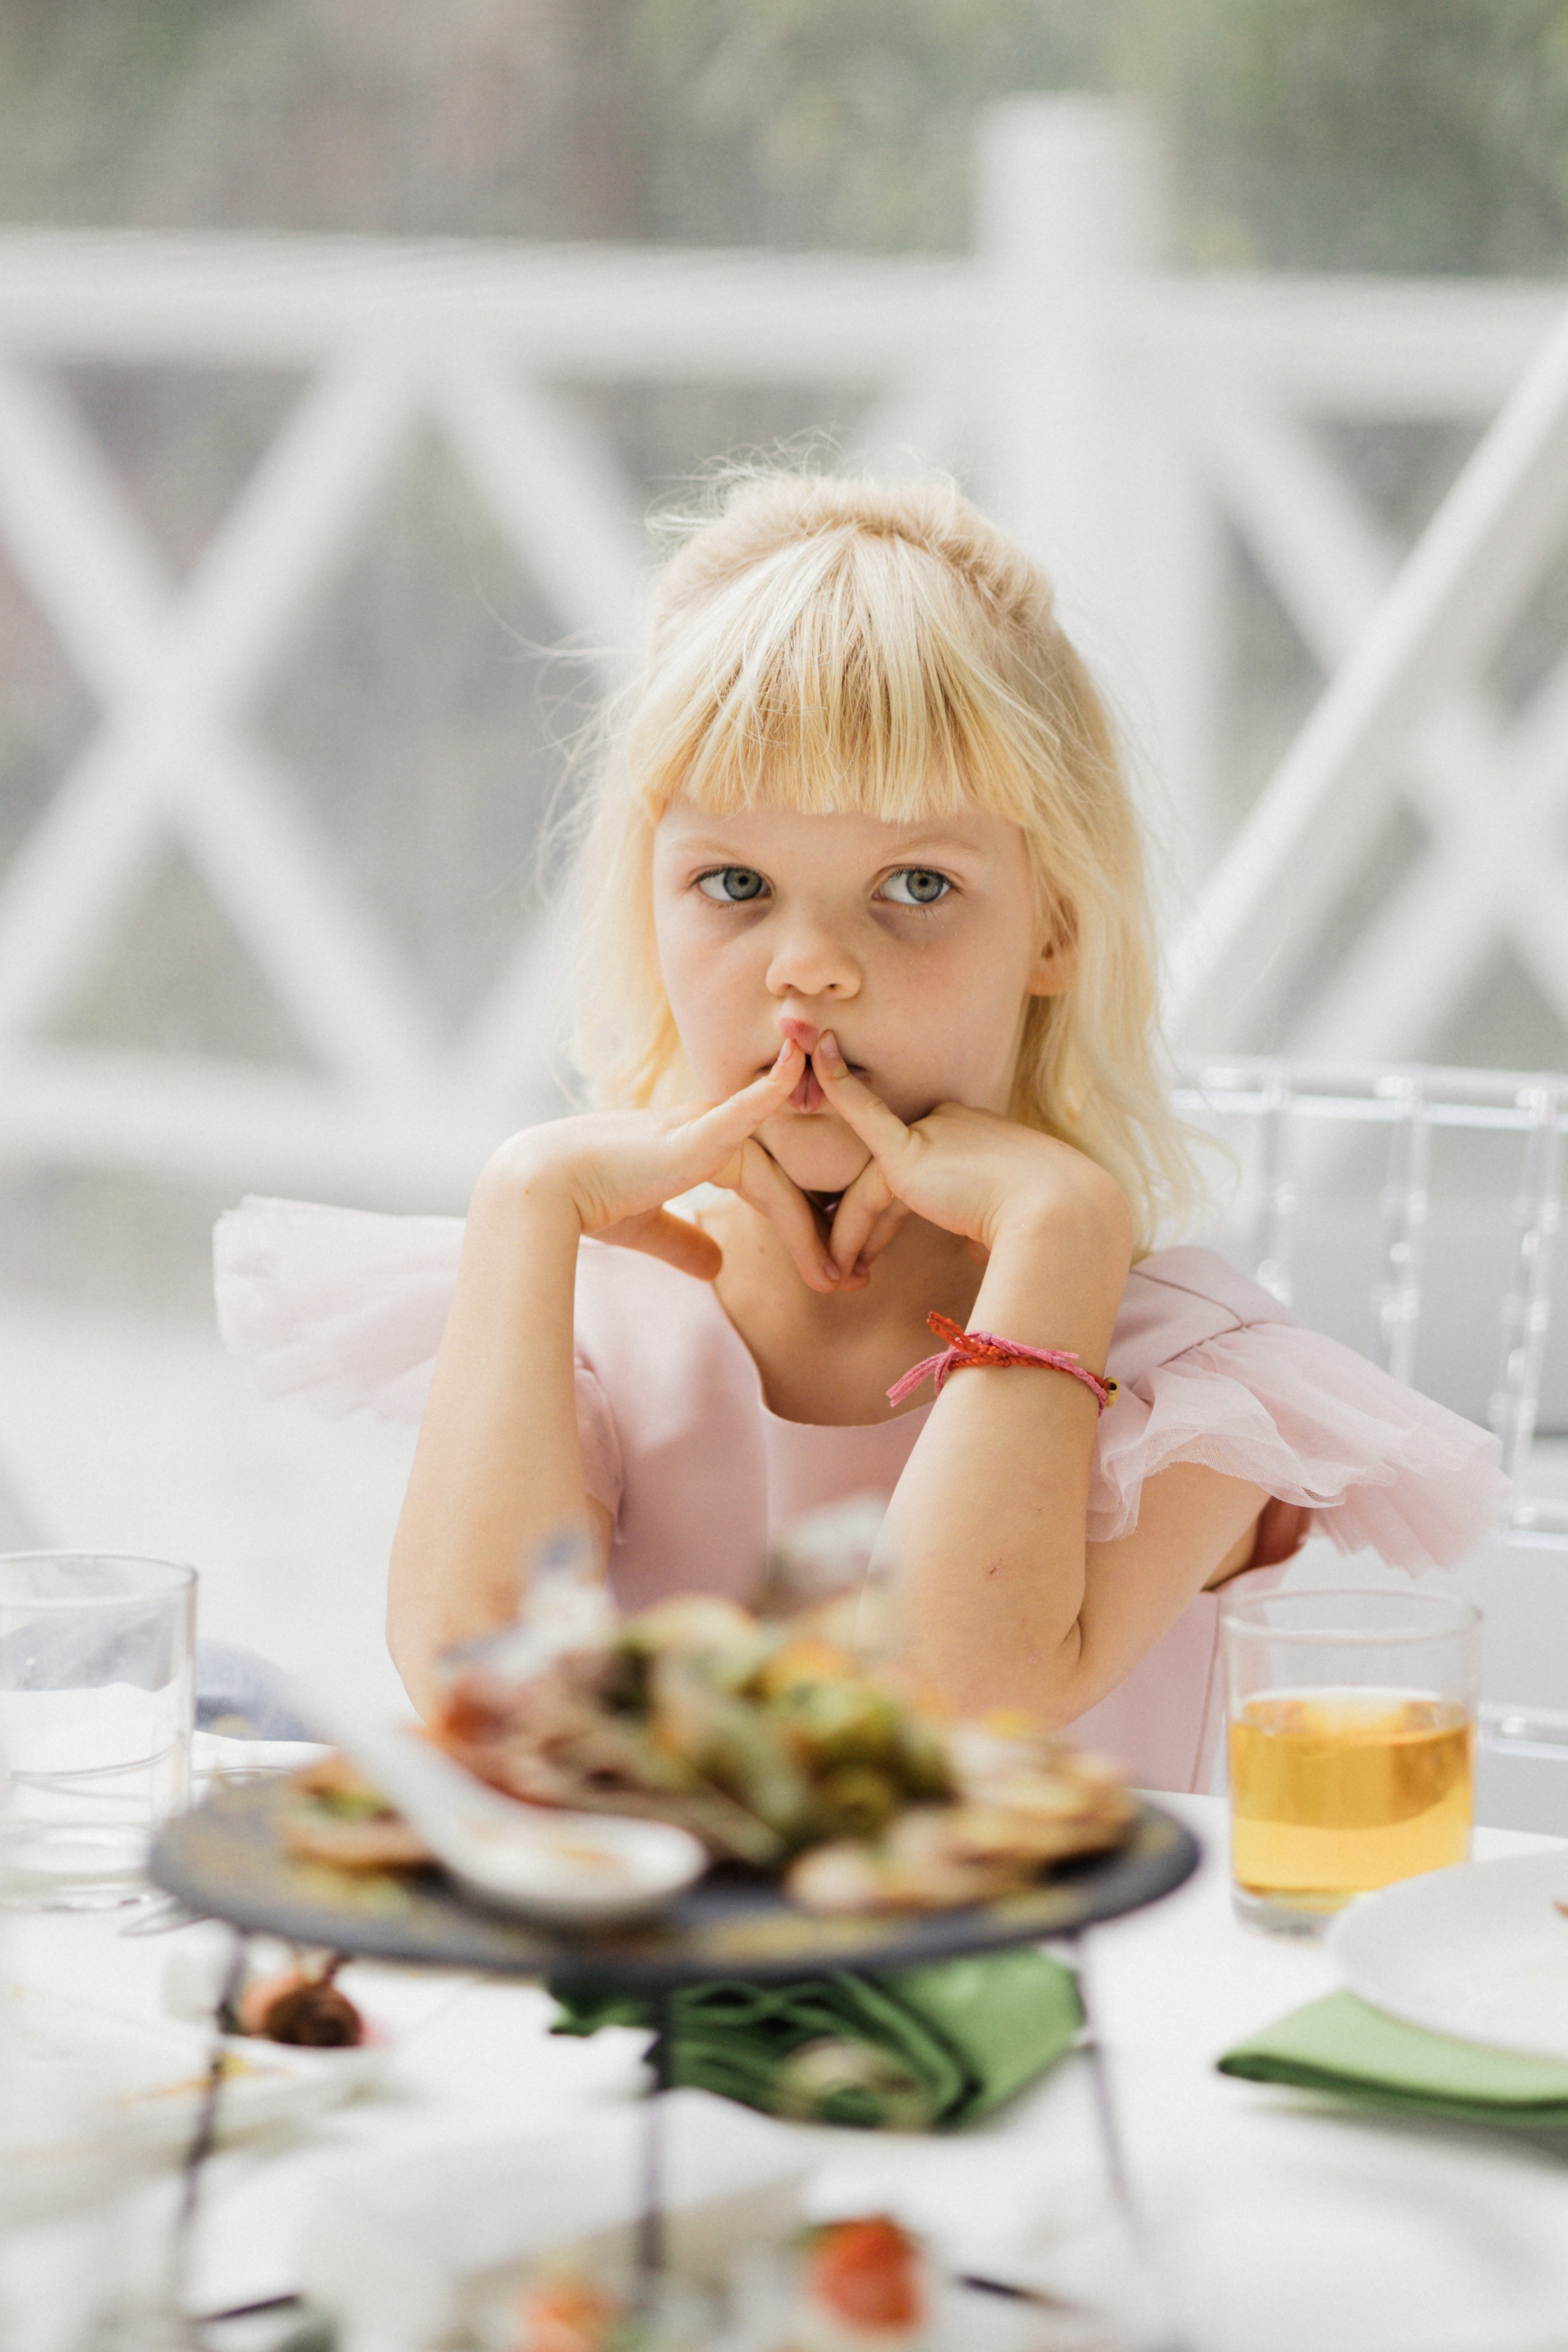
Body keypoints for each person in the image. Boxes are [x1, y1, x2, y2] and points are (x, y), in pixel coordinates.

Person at [216, 472, 1502, 1792]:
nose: (812, 968)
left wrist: (1062, 1232)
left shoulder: (1193, 1389)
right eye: (733, 885)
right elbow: (477, 1687)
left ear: (1052, 927)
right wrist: (525, 1199)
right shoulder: (596, 1317)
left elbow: (943, 1714)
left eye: (914, 886)